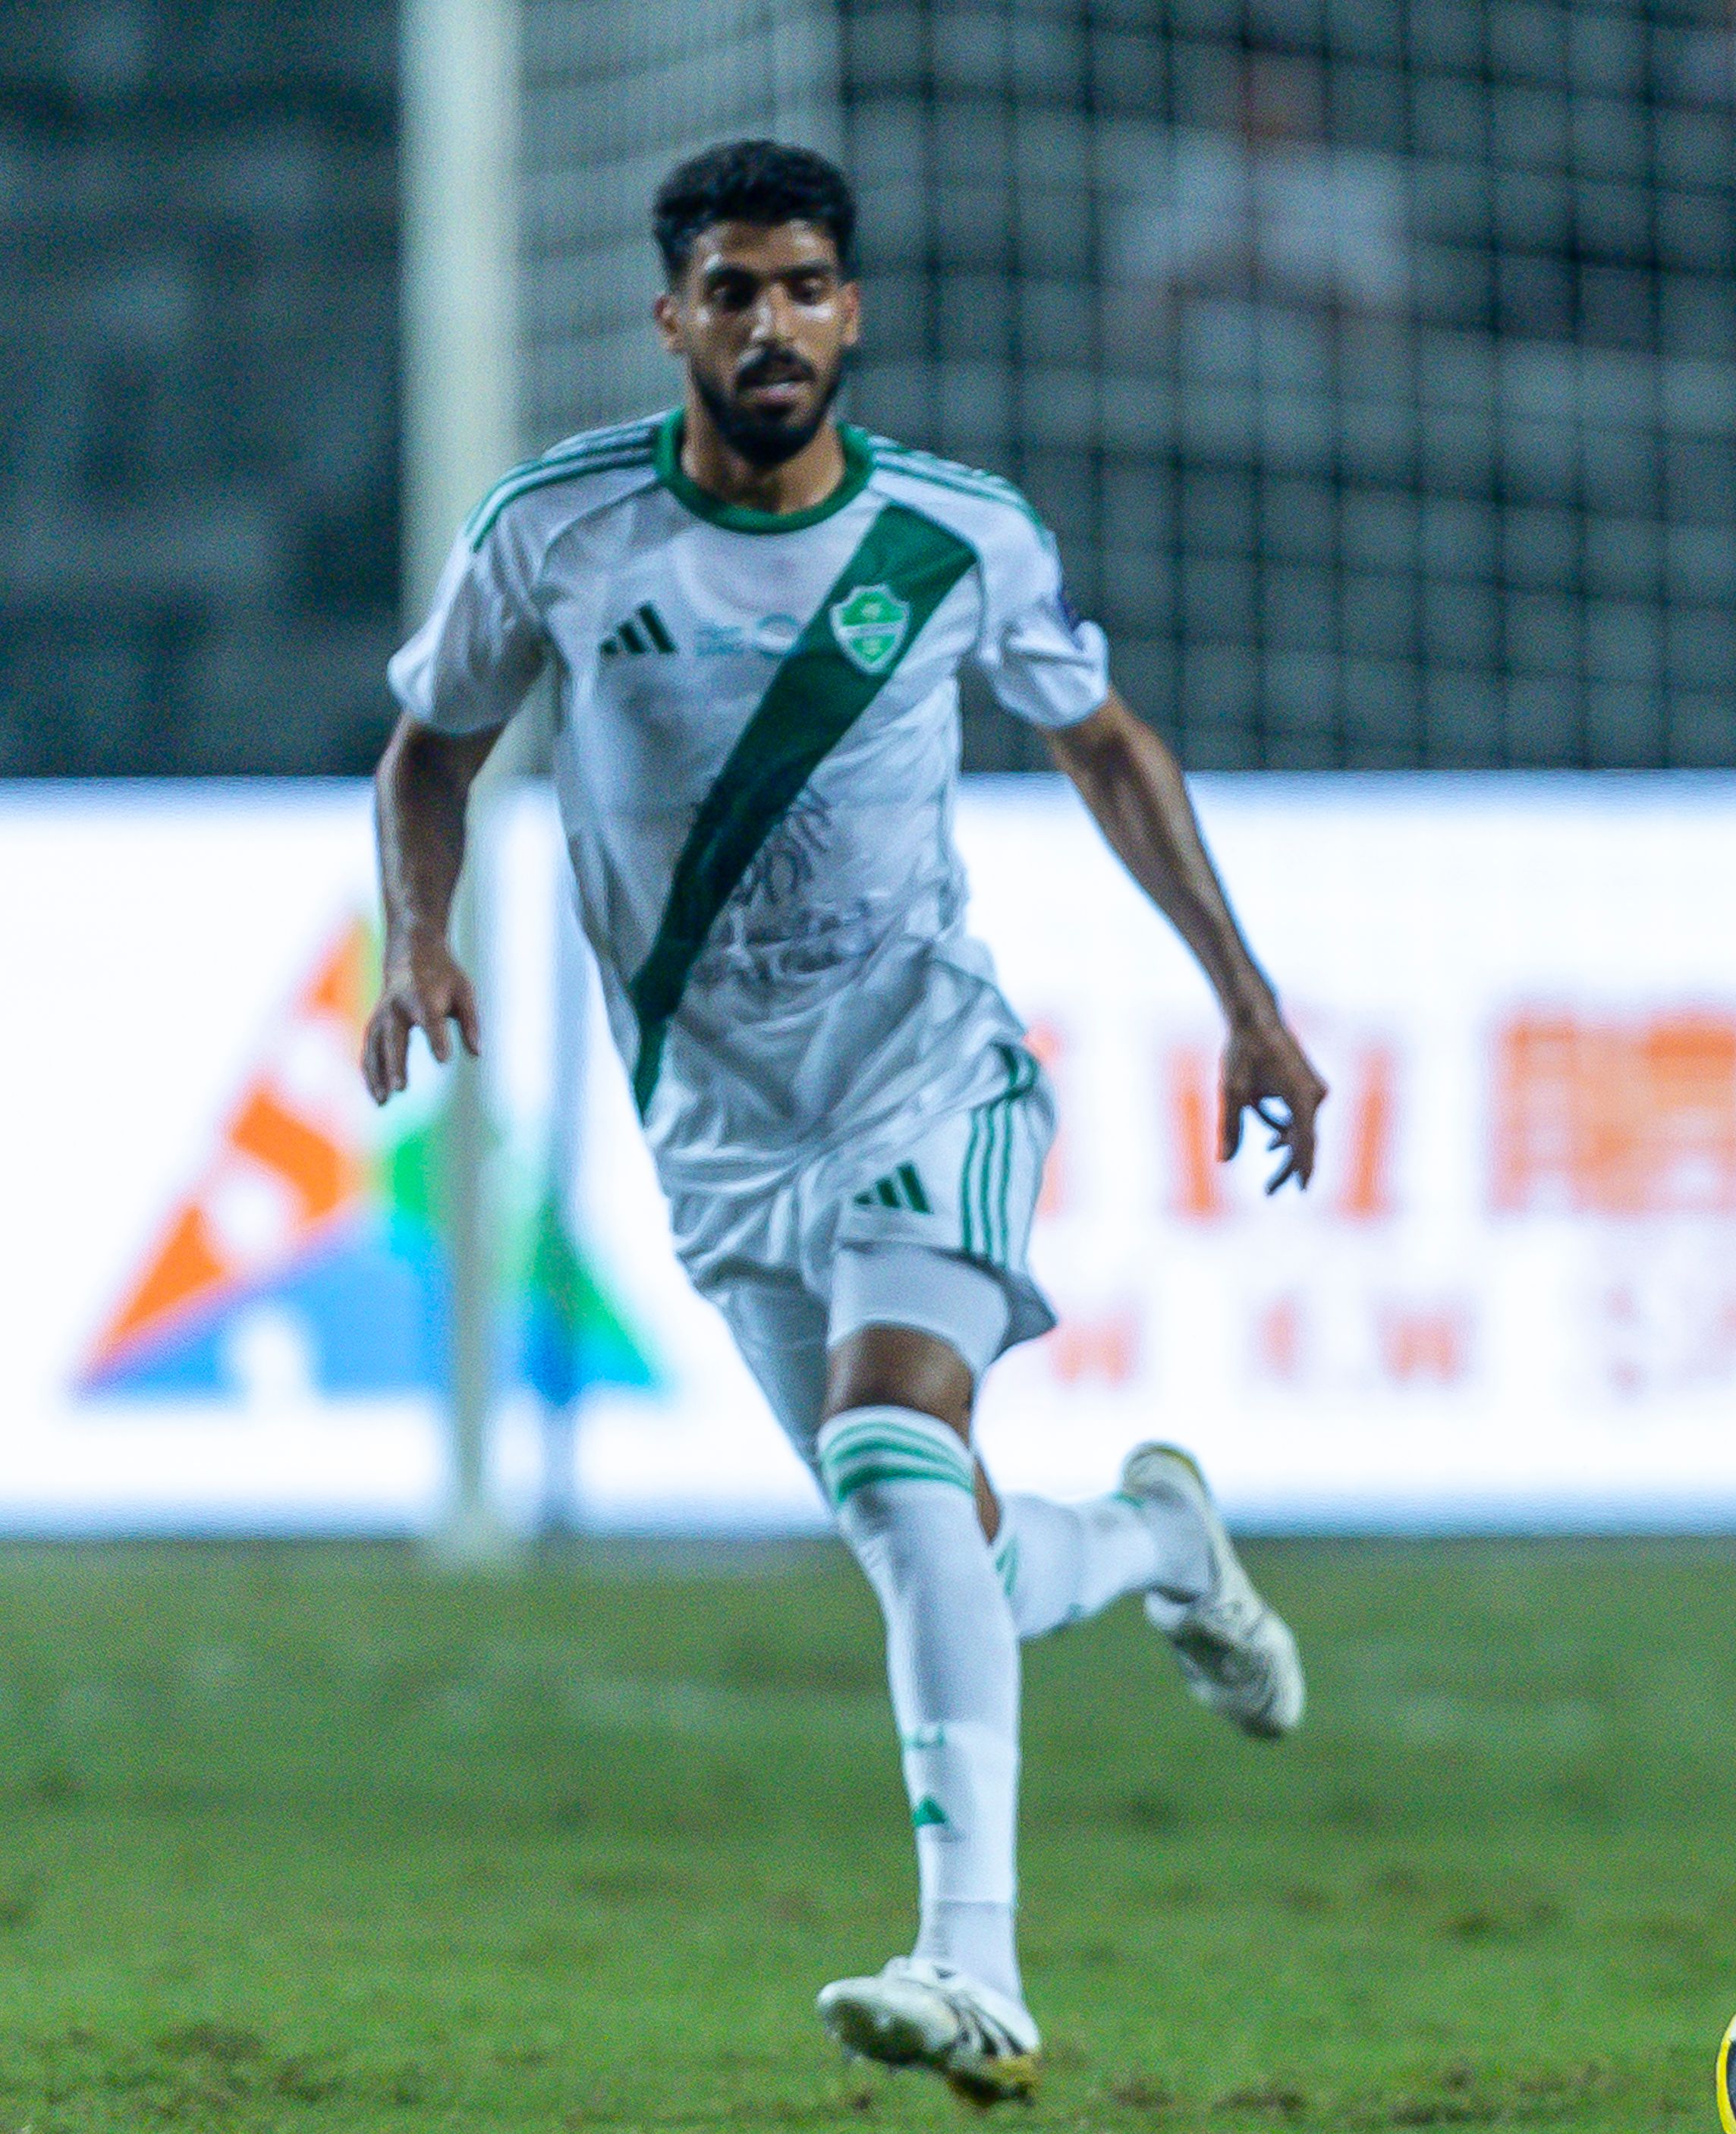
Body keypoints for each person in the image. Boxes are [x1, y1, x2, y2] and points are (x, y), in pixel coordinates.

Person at [364, 140, 1331, 2105]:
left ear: (852, 311)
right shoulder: (557, 530)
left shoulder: (950, 536)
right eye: (733, 291)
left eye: (804, 286)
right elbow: (430, 747)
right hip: (715, 1134)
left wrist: (1243, 993)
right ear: (673, 321)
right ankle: (1154, 1534)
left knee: (896, 1459)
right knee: (936, 1534)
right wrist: (418, 937)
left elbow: (1104, 742)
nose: (773, 323)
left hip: (929, 1075)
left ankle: (972, 1964)